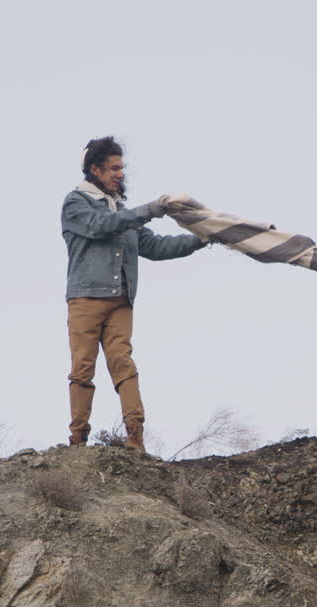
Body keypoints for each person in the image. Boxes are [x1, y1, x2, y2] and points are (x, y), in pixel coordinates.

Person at [61, 136, 205, 450]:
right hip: (86, 298)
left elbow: (155, 246)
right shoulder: (76, 203)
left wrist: (202, 238)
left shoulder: (122, 211)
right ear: (95, 169)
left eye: (121, 168)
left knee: (123, 364)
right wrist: (151, 209)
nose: (120, 174)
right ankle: (77, 439)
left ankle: (135, 436)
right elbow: (101, 226)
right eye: (113, 168)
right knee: (82, 369)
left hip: (120, 299)